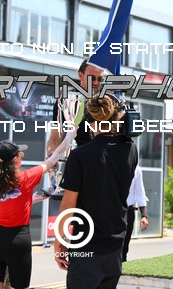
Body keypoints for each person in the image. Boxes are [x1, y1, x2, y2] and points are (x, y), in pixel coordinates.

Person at [54, 93, 138, 289]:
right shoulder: (131, 150)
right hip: (115, 247)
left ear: (90, 123)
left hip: (86, 248)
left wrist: (59, 241)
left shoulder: (80, 156)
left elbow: (68, 206)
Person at [0, 131, 75, 289]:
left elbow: (6, 206)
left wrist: (29, 200)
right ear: (15, 159)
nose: (22, 156)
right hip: (18, 241)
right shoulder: (25, 178)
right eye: (19, 154)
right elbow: (54, 158)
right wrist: (69, 137)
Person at [46, 58, 105, 155]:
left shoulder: (109, 100)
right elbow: (55, 137)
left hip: (105, 157)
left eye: (100, 79)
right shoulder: (65, 100)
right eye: (91, 78)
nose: (95, 82)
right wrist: (51, 154)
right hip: (79, 157)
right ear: (80, 75)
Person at [122, 164, 149, 262]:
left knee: (124, 247)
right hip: (110, 211)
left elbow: (140, 194)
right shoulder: (108, 163)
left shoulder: (136, 169)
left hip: (128, 212)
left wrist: (144, 216)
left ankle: (122, 265)